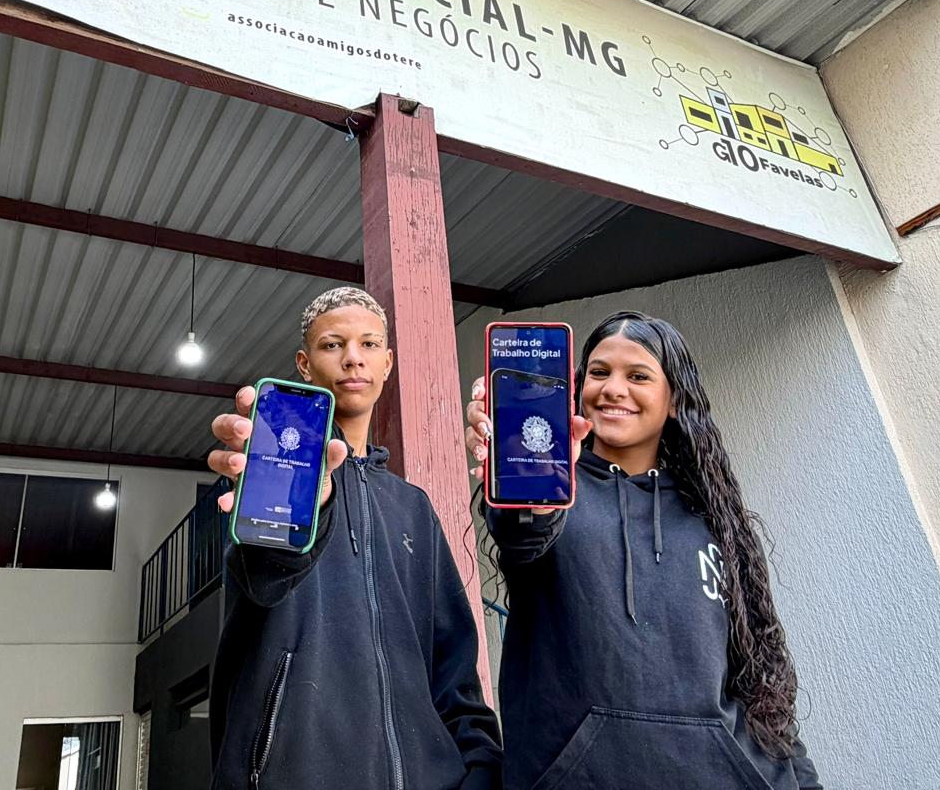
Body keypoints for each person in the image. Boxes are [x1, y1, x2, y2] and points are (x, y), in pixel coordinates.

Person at [464, 311, 823, 790]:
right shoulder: (553, 498)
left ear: (674, 400)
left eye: (637, 376)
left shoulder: (716, 518)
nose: (613, 389)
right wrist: (524, 472)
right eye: (599, 372)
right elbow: (522, 533)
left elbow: (756, 678)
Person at [208, 286, 502, 790]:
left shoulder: (413, 508)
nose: (352, 358)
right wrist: (305, 499)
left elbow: (454, 666)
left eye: (369, 344)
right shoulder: (273, 475)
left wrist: (480, 770)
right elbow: (264, 576)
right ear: (304, 364)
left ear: (387, 363)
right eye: (332, 345)